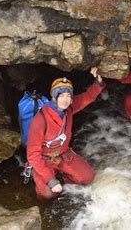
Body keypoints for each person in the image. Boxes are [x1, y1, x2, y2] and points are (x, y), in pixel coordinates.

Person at [27, 67, 105, 202]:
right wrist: (50, 180)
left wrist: (98, 82)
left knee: (87, 178)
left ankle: (66, 182)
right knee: (47, 195)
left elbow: (87, 97)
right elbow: (33, 155)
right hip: (44, 159)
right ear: (54, 97)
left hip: (63, 154)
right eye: (61, 95)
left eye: (68, 95)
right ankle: (48, 183)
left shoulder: (69, 108)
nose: (66, 99)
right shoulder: (40, 121)